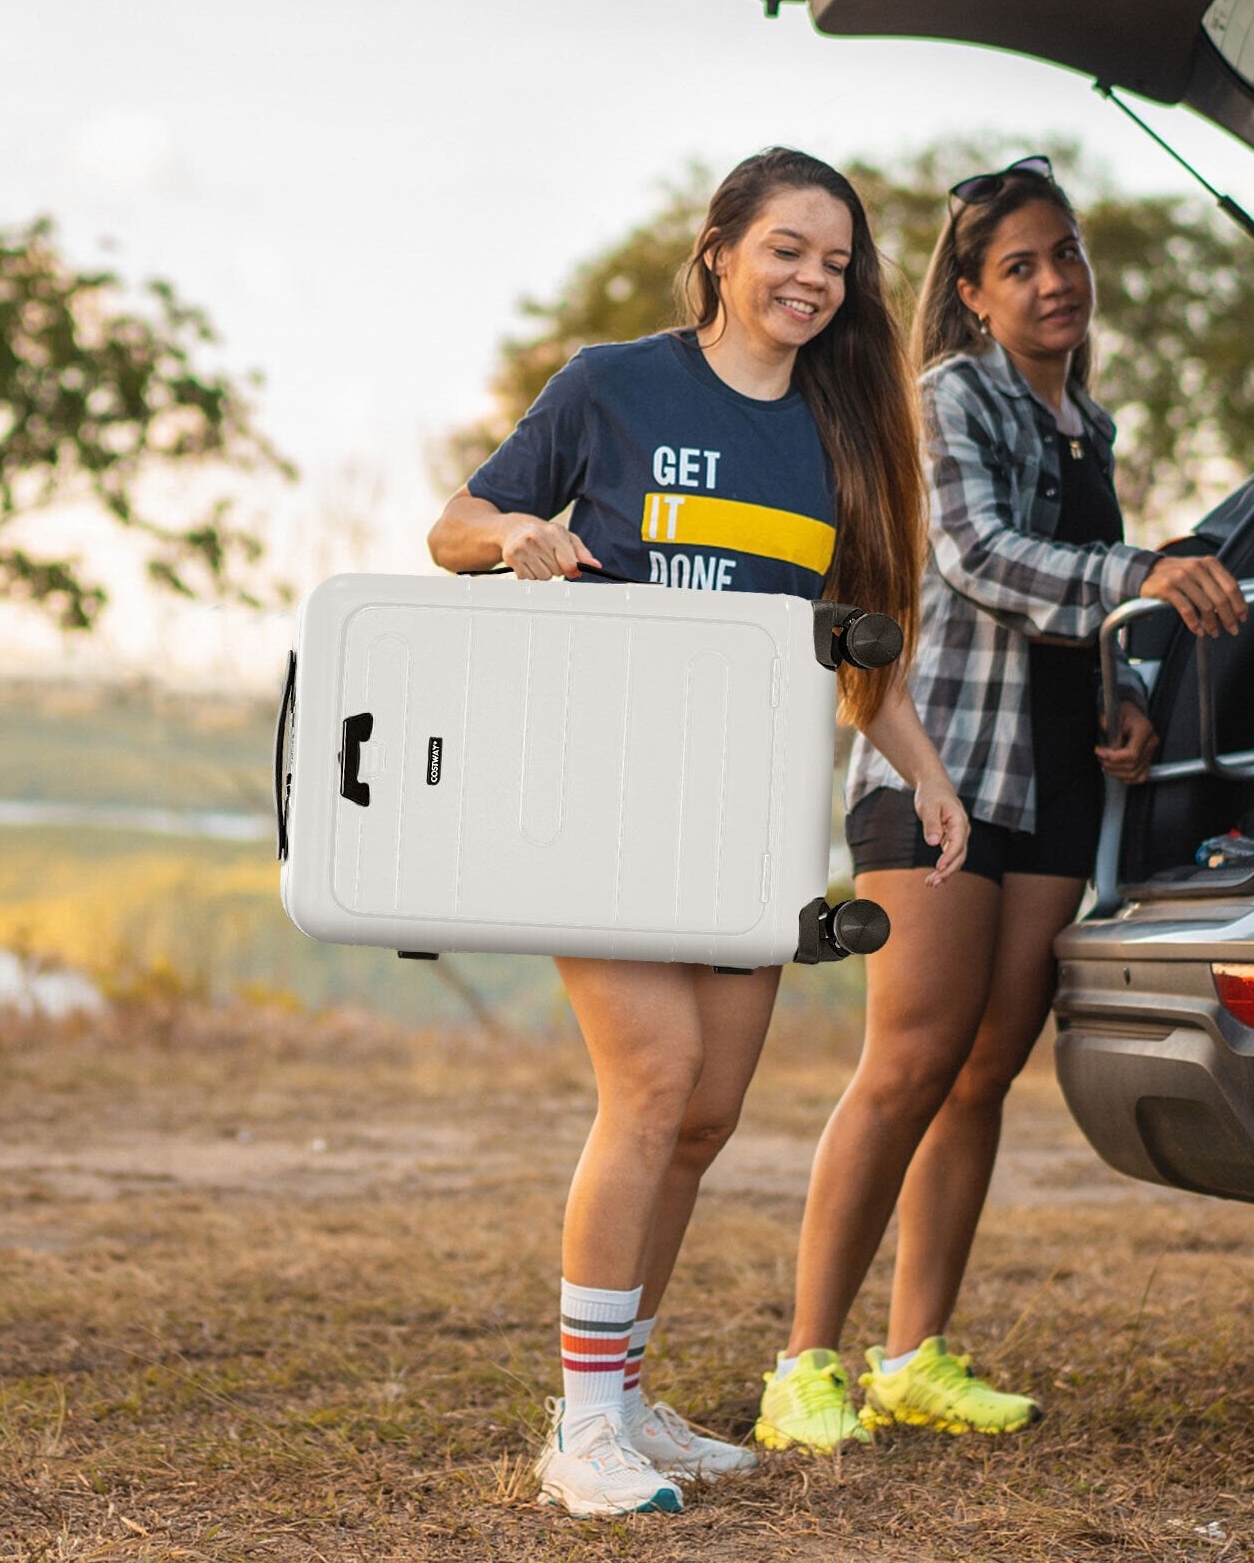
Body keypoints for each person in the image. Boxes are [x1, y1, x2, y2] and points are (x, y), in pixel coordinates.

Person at [426, 147, 970, 1517]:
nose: (813, 279)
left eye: (837, 264)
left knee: (708, 1115)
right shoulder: (612, 384)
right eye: (789, 248)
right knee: (655, 1079)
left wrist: (926, 772)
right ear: (721, 248)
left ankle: (631, 1395)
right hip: (595, 795)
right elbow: (452, 524)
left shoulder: (844, 429)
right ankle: (581, 1429)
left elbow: (856, 650)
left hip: (750, 813)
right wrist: (513, 539)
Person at [754, 155, 1249, 1453]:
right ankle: (802, 1363)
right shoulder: (947, 398)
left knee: (982, 1072)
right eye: (1021, 266)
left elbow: (1083, 611)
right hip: (939, 773)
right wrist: (1143, 570)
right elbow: (974, 556)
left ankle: (912, 1357)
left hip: (1056, 779)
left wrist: (1124, 694)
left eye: (1066, 255)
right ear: (972, 294)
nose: (1055, 282)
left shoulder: (1089, 424)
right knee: (908, 1062)